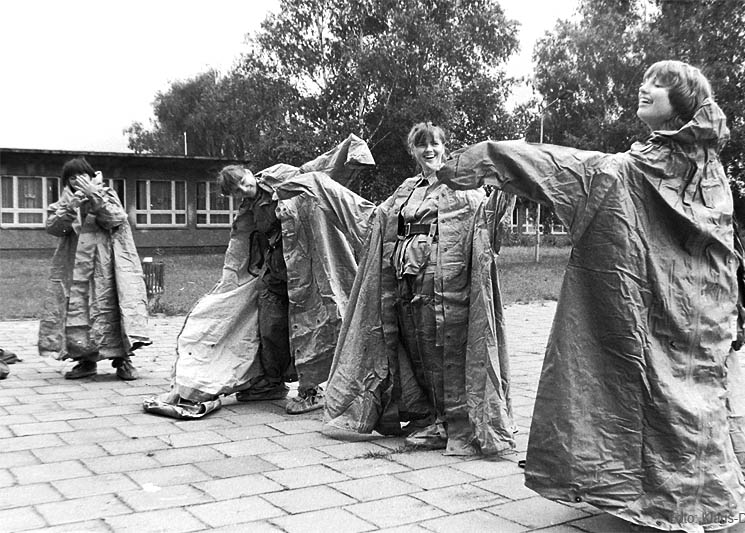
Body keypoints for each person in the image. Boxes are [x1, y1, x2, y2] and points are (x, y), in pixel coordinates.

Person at [438, 60, 745, 531]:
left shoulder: (651, 172)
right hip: (697, 311)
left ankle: (683, 502)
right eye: (645, 80)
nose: (644, 88)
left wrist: (486, 157)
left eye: (659, 84)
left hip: (695, 308)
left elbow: (563, 169)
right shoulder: (692, 170)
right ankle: (696, 495)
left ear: (683, 101)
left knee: (665, 395)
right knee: (688, 396)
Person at [143, 135, 376, 419]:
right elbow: (247, 243)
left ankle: (311, 390)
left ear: (248, 172)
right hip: (274, 274)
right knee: (269, 329)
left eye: (244, 181)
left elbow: (316, 172)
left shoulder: (281, 176)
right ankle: (270, 382)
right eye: (238, 190)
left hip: (307, 271)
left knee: (311, 327)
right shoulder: (249, 207)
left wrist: (348, 153)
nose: (245, 188)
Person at [323, 122, 517, 456]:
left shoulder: (462, 187)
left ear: (444, 147)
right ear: (413, 150)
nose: (429, 150)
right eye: (422, 145)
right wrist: (328, 191)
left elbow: (485, 222)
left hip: (443, 283)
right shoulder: (407, 189)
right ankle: (428, 414)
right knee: (414, 348)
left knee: (440, 349)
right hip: (404, 276)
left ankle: (450, 421)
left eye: (435, 144)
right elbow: (378, 219)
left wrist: (507, 182)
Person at [38, 157, 151, 380]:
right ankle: (86, 360)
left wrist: (94, 196)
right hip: (75, 266)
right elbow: (53, 228)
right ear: (66, 181)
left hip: (107, 265)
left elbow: (116, 219)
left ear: (92, 176)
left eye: (82, 175)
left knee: (111, 306)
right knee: (78, 310)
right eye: (72, 178)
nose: (77, 181)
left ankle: (123, 360)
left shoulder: (107, 194)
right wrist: (71, 207)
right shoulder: (65, 202)